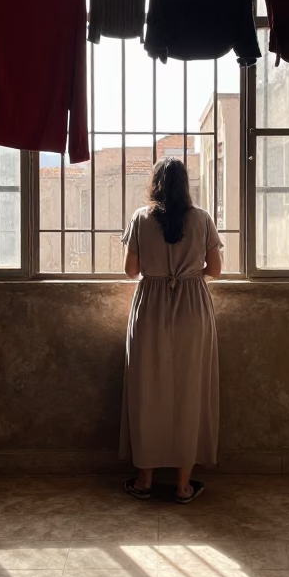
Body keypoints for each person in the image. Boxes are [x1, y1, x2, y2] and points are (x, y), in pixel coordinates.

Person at [120, 157, 223, 503]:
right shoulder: (203, 219)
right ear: (185, 185)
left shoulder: (140, 218)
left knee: (146, 390)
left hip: (150, 306)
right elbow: (217, 270)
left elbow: (131, 272)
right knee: (190, 390)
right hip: (193, 307)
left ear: (155, 184)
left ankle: (145, 479)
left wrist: (160, 271)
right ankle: (182, 484)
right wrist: (186, 272)